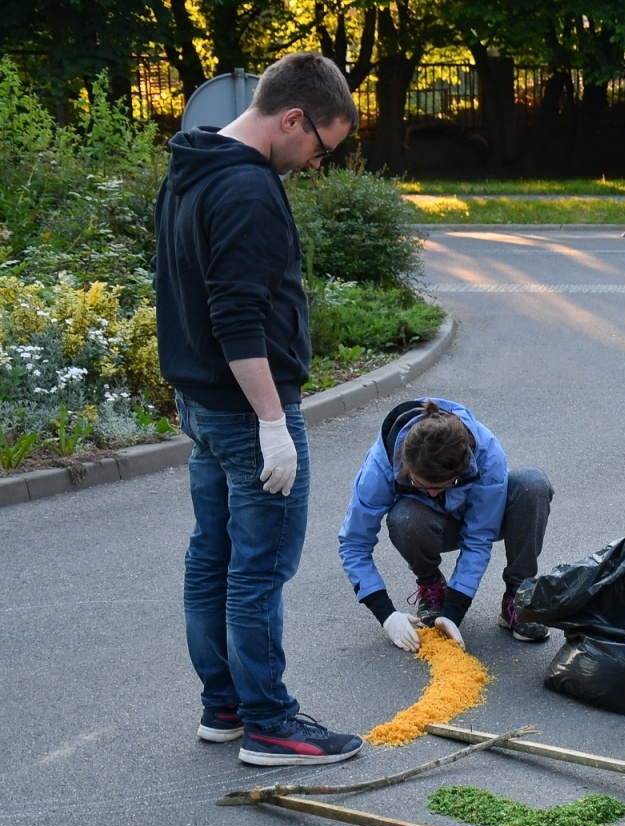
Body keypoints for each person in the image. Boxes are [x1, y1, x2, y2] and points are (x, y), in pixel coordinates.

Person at [156, 52, 364, 766]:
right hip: (248, 414)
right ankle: (271, 722)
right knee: (257, 568)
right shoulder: (246, 191)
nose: (314, 165)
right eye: (319, 148)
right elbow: (235, 316)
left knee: (211, 555)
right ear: (293, 118)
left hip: (204, 406)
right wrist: (273, 423)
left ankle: (226, 705)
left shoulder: (193, 168)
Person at [338, 398, 554, 651]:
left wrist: (454, 612)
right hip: (428, 524)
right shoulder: (381, 465)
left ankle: (518, 597)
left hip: (479, 516)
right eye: (421, 485)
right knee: (404, 517)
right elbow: (354, 544)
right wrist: (386, 614)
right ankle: (431, 586)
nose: (431, 493)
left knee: (531, 484)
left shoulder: (486, 452)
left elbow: (478, 538)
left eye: (441, 486)